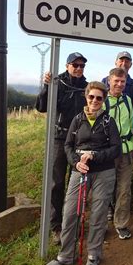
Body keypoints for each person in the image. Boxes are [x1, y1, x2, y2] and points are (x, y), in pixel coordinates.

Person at [44, 81, 121, 265]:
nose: (95, 101)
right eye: (91, 97)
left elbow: (116, 149)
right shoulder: (77, 120)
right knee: (70, 212)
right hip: (80, 171)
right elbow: (68, 145)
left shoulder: (108, 122)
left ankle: (93, 255)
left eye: (99, 98)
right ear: (86, 97)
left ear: (104, 101)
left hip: (104, 172)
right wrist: (75, 162)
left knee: (98, 214)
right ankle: (65, 255)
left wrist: (95, 155)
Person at [35, 52, 88, 245]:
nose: (79, 68)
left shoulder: (85, 86)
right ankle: (55, 226)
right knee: (56, 183)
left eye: (82, 65)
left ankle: (73, 223)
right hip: (59, 138)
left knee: (77, 184)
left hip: (78, 141)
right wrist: (46, 86)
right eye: (75, 65)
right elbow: (41, 107)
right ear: (67, 65)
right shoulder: (57, 83)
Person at [104, 67, 133, 240]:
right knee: (104, 189)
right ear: (109, 80)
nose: (119, 84)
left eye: (122, 81)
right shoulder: (102, 99)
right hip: (107, 152)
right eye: (116, 81)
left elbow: (132, 124)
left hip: (125, 150)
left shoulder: (128, 100)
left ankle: (121, 224)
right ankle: (100, 225)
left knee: (124, 189)